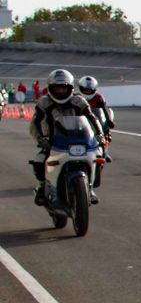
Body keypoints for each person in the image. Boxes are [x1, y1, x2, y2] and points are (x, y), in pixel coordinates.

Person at [30, 68, 105, 205]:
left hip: (78, 139)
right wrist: (41, 138)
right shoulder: (44, 103)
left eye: (64, 88)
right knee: (39, 159)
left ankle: (90, 187)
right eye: (57, 88)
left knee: (98, 156)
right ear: (51, 88)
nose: (61, 92)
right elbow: (35, 123)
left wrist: (99, 134)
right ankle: (41, 187)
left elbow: (92, 118)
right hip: (53, 141)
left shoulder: (79, 101)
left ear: (70, 88)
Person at [77, 75, 116, 178]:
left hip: (96, 123)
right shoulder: (77, 97)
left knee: (107, 135)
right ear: (80, 88)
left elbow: (105, 109)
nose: (87, 92)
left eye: (90, 90)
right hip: (81, 124)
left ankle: (104, 151)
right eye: (85, 89)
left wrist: (109, 120)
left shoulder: (98, 97)